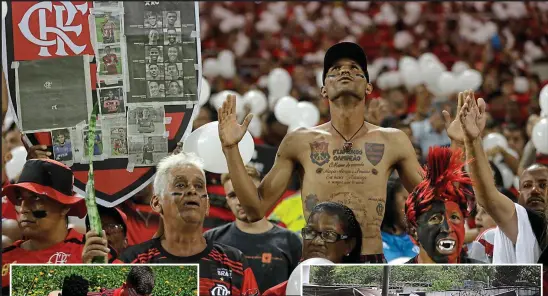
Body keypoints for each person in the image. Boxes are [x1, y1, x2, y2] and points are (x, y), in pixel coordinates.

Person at [217, 42, 466, 262]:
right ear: (324, 89)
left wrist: (458, 145)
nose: (345, 71)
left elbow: (436, 204)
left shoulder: (394, 140)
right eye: (335, 70)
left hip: (371, 261)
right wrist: (230, 149)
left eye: (354, 69)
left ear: (368, 88)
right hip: (319, 262)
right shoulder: (299, 141)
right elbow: (254, 210)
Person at [82, 153, 260, 296]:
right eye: (180, 185)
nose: (191, 190)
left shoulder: (235, 262)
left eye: (199, 186)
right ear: (156, 203)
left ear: (207, 205)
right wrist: (93, 275)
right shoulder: (132, 262)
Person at [458, 92, 548, 264]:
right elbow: (487, 197)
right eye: (527, 185)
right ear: (519, 193)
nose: (535, 189)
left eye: (543, 184)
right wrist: (473, 140)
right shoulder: (525, 222)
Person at [204, 165, 302, 293]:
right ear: (227, 200)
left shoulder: (291, 241)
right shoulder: (211, 239)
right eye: (233, 195)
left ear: (261, 193)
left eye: (247, 192)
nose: (241, 200)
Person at [1, 159, 88, 293]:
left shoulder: (89, 254)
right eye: (20, 199)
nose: (23, 208)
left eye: (35, 198)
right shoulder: (5, 259)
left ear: (65, 207)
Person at [262, 202, 362, 296]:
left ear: (349, 245)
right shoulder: (275, 294)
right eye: (310, 232)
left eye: (329, 234)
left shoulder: (367, 291)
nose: (316, 241)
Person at [381, 178, 419, 262]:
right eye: (408, 199)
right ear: (391, 201)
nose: (414, 208)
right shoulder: (372, 242)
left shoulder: (423, 242)